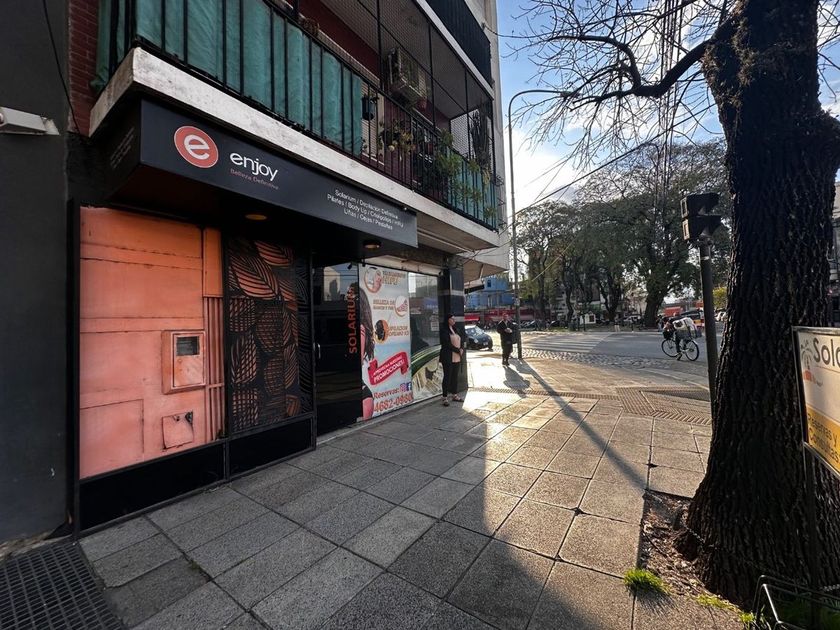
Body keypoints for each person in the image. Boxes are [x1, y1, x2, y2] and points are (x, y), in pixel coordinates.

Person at [439, 314, 464, 406]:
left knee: (454, 377)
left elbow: (461, 340)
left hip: (456, 356)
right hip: (448, 357)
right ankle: (444, 397)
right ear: (448, 320)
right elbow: (446, 344)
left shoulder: (455, 329)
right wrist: (457, 350)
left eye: (454, 319)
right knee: (447, 377)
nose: (454, 320)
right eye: (452, 319)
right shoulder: (444, 330)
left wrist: (461, 349)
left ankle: (454, 395)